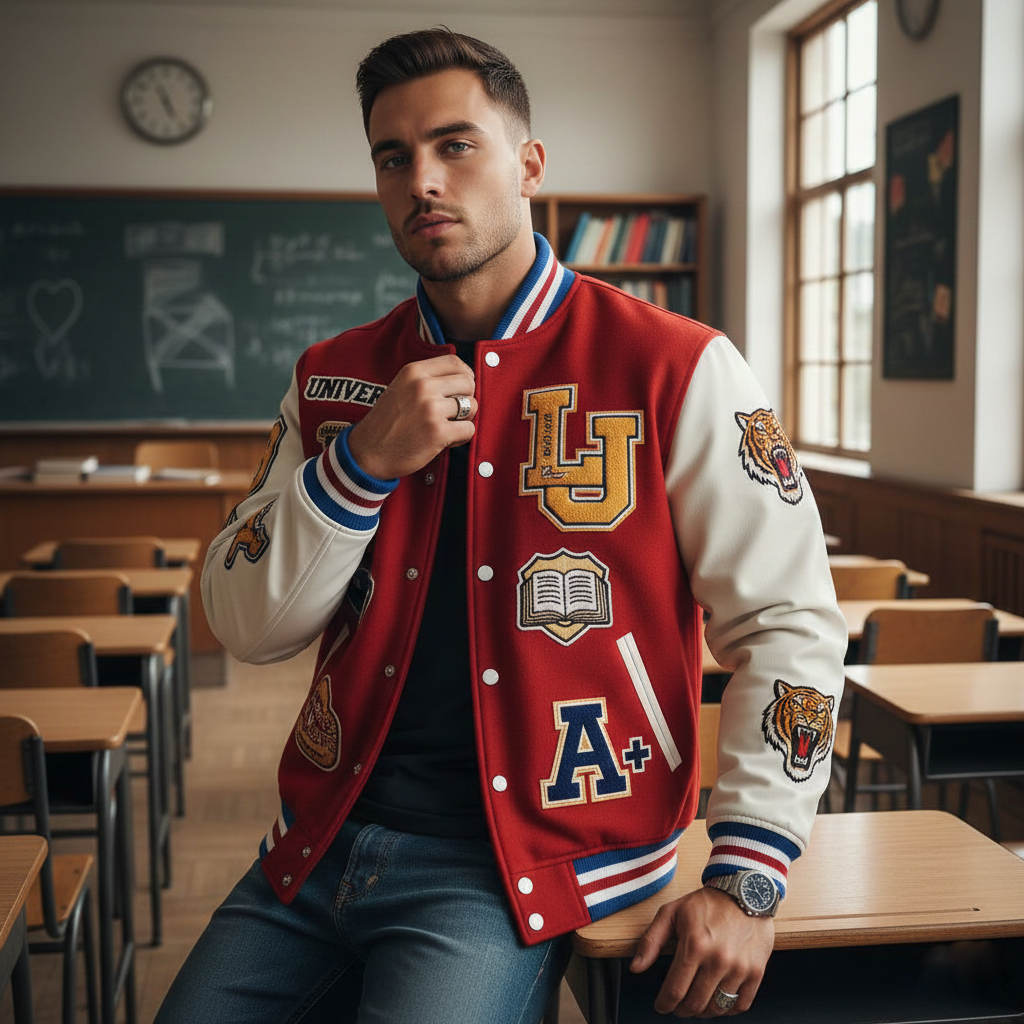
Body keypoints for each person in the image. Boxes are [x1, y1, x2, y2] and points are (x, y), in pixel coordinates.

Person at [156, 27, 846, 1024]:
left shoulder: (678, 364)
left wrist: (747, 875)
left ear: (528, 165)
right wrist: (358, 466)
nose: (422, 180)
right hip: (319, 838)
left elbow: (789, 618)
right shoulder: (334, 376)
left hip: (520, 864)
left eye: (455, 145)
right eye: (392, 157)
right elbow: (245, 623)